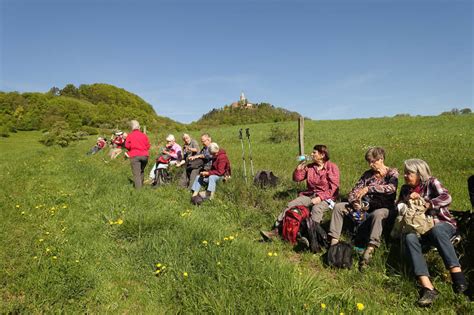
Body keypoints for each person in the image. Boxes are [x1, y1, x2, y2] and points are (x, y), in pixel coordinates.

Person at [398, 159, 467, 307]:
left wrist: (427, 202)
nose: (405, 175)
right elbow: (398, 206)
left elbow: (446, 197)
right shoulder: (405, 189)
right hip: (419, 228)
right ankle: (428, 288)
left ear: (419, 173)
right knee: (410, 238)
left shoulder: (431, 182)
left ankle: (458, 278)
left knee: (437, 231)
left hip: (441, 223)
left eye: (408, 173)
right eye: (404, 172)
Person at [328, 147, 398, 270]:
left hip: (384, 207)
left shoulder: (391, 173)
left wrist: (369, 188)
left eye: (373, 161)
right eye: (369, 162)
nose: (371, 165)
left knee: (378, 214)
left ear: (381, 159)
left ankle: (370, 250)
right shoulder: (367, 175)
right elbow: (354, 191)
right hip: (364, 206)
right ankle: (334, 245)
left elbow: (391, 188)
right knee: (339, 207)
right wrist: (354, 201)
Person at [260, 145, 340, 243]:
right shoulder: (310, 167)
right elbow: (296, 179)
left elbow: (334, 188)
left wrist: (320, 197)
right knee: (293, 204)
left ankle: (311, 237)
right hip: (310, 194)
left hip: (327, 197)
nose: (311, 154)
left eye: (314, 152)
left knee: (316, 209)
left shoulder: (332, 168)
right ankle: (277, 229)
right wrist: (298, 169)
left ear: (322, 155)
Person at [124, 120, 150, 189]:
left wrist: (131, 148)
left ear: (132, 128)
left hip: (135, 156)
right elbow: (148, 146)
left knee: (136, 174)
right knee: (141, 171)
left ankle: (138, 192)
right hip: (145, 156)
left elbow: (127, 146)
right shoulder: (144, 135)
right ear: (139, 127)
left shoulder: (130, 135)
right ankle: (141, 186)